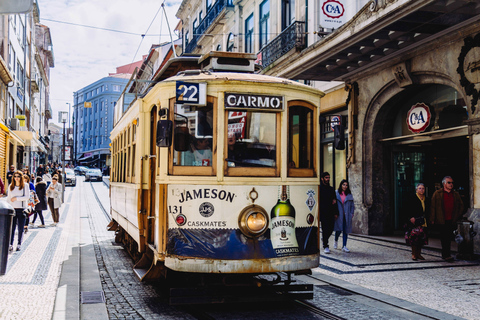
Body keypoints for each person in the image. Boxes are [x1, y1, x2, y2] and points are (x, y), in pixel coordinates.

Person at [430, 176, 464, 262]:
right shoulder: (437, 193)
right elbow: (433, 207)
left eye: (452, 183)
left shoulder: (455, 194)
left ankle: (446, 254)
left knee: (449, 237)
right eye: (449, 182)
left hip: (452, 219)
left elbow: (461, 205)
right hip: (442, 219)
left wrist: (458, 215)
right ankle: (446, 254)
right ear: (444, 184)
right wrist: (432, 218)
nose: (451, 184)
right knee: (444, 237)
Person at [404, 183, 429, 260]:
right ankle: (414, 254)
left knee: (422, 238)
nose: (422, 190)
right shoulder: (412, 198)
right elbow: (407, 208)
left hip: (423, 221)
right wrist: (411, 218)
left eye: (423, 188)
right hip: (415, 220)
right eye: (420, 188)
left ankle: (419, 254)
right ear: (416, 189)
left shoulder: (426, 199)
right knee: (414, 238)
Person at [7, 170, 30, 251]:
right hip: (13, 210)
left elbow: (27, 197)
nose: (16, 178)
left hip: (22, 210)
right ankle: (10, 244)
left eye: (18, 176)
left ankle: (19, 244)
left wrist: (16, 198)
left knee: (20, 228)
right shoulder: (11, 186)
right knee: (11, 228)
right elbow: (9, 199)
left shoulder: (25, 186)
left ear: (21, 177)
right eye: (15, 176)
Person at [334, 179, 355, 253]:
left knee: (346, 230)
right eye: (343, 185)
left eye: (346, 185)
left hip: (347, 215)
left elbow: (352, 205)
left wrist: (351, 213)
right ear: (341, 185)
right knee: (338, 230)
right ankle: (336, 241)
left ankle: (344, 246)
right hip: (339, 215)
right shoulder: (336, 193)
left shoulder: (349, 194)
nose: (345, 186)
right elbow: (333, 204)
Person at [319, 172, 338, 254]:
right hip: (323, 212)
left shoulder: (331, 189)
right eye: (326, 177)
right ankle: (325, 245)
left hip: (330, 212)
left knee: (331, 228)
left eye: (329, 177)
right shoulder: (319, 189)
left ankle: (324, 238)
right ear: (322, 178)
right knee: (325, 228)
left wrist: (336, 212)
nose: (328, 179)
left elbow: (334, 201)